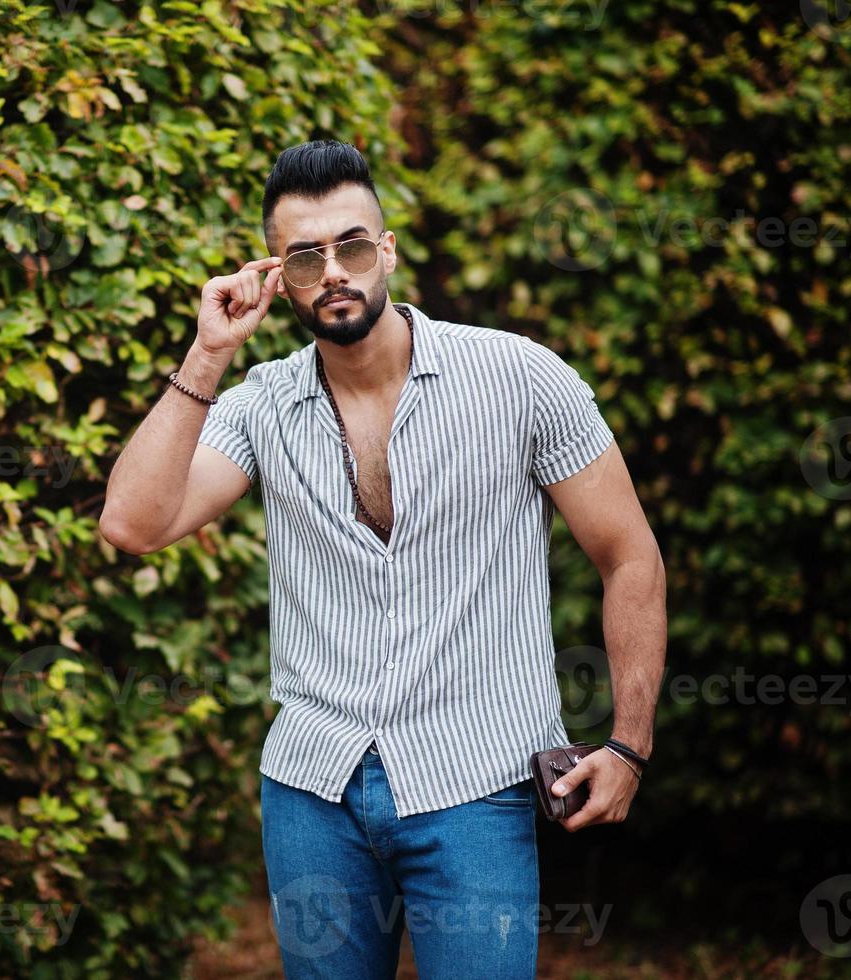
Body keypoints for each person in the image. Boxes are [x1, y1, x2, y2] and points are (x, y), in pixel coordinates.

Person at [98, 139, 667, 979]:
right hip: (311, 792)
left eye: (351, 246)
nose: (333, 271)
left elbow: (629, 556)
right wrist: (208, 352)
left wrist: (627, 745)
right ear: (279, 276)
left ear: (386, 250)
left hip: (476, 783)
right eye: (304, 256)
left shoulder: (518, 378)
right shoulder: (261, 405)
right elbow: (133, 524)